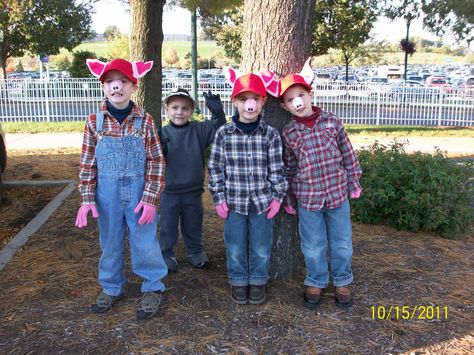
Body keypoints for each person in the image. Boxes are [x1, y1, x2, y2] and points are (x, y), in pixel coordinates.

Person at [75, 58, 167, 320]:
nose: (117, 87)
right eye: (110, 82)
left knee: (145, 242)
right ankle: (111, 287)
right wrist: (87, 198)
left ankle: (153, 287)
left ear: (133, 86)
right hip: (108, 196)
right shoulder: (94, 122)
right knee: (110, 241)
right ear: (103, 87)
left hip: (139, 196)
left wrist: (150, 199)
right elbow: (87, 163)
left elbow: (157, 162)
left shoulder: (145, 121)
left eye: (123, 81)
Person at [270, 59, 362, 308]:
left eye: (301, 95)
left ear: (310, 95)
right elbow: (288, 168)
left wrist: (354, 180)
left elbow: (347, 152)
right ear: (284, 106)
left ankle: (342, 280)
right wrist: (288, 198)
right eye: (290, 100)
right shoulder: (289, 133)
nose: (297, 102)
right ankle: (316, 280)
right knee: (312, 243)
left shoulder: (332, 121)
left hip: (337, 194)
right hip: (307, 199)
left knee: (341, 240)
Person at [208, 69, 287, 305]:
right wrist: (219, 197)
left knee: (261, 244)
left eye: (255, 99)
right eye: (243, 100)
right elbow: (215, 167)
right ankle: (238, 280)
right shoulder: (224, 134)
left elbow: (276, 168)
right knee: (235, 244)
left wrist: (277, 197)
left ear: (263, 101)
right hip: (233, 202)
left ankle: (258, 280)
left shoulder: (270, 134)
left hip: (263, 202)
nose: (249, 105)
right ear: (235, 102)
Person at [159, 88, 226, 272]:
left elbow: (219, 129)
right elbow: (150, 157)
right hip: (169, 191)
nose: (179, 112)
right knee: (167, 225)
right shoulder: (161, 133)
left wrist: (218, 113)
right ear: (167, 109)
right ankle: (166, 253)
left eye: (184, 108)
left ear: (191, 110)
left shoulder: (199, 130)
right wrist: (160, 150)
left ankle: (195, 251)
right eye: (174, 107)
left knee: (193, 223)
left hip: (193, 191)